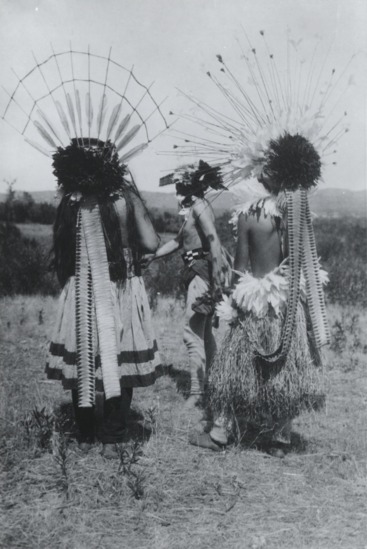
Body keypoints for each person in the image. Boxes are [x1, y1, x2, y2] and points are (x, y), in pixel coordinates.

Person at [190, 134, 329, 456]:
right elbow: (298, 261)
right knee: (285, 370)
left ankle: (221, 432)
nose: (257, 174)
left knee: (236, 368)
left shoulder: (249, 215)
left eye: (263, 169)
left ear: (272, 174)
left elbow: (240, 267)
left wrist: (229, 298)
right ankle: (280, 438)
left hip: (256, 301)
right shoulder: (297, 214)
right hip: (288, 300)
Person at [46, 138, 163, 458]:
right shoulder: (126, 197)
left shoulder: (71, 200)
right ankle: (112, 436)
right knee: (119, 358)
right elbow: (152, 243)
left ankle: (85, 434)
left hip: (81, 289)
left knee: (83, 355)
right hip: (121, 286)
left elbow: (62, 251)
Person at [144, 161, 231, 407]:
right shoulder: (194, 208)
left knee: (192, 333)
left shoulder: (200, 208)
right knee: (203, 333)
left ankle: (197, 392)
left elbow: (213, 241)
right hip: (199, 272)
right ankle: (213, 385)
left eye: (180, 185)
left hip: (202, 273)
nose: (176, 191)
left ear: (189, 186)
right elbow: (180, 241)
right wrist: (154, 255)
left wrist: (215, 282)